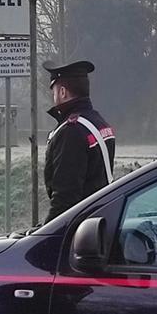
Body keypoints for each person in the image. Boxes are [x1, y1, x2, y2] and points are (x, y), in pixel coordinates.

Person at [43, 60, 116, 223]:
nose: (53, 96)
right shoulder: (98, 122)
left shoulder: (71, 132)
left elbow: (65, 198)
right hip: (100, 218)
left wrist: (43, 236)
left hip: (79, 226)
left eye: (53, 91)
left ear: (62, 92)